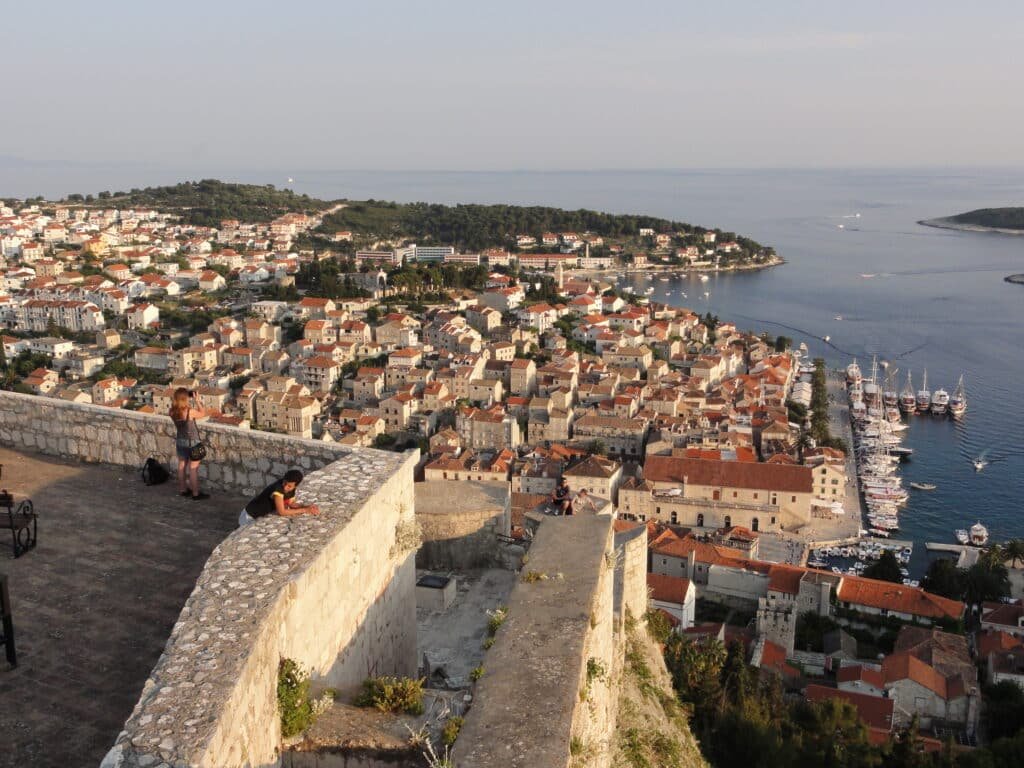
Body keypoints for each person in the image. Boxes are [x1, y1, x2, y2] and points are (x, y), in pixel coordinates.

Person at [239, 469, 320, 527]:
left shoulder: (291, 489)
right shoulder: (278, 489)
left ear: (295, 485)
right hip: (249, 516)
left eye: (289, 486)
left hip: (257, 515)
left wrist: (307, 507)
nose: (285, 487)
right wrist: (305, 510)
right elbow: (281, 512)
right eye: (285, 483)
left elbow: (291, 504)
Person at [169, 387, 209, 501]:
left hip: (180, 442)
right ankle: (195, 494)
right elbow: (202, 413)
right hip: (193, 443)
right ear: (185, 398)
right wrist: (197, 400)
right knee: (193, 469)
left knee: (181, 466)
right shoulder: (189, 412)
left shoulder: (171, 412)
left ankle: (183, 490)